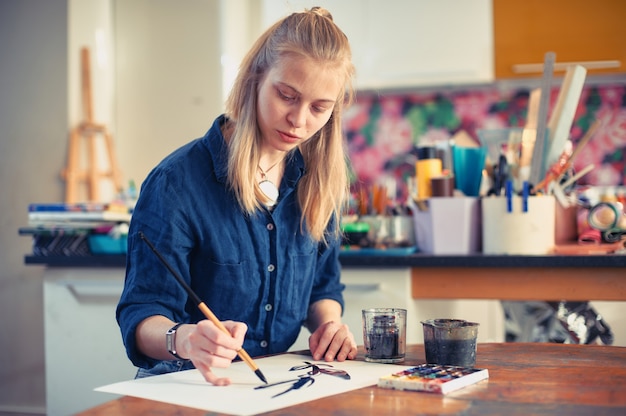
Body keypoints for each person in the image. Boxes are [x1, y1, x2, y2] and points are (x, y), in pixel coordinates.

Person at [116, 6, 357, 386]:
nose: (299, 120)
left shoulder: (318, 181)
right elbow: (141, 313)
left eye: (319, 108)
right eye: (286, 96)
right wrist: (186, 339)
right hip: (182, 385)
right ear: (255, 79)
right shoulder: (176, 183)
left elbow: (323, 287)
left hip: (276, 383)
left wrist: (330, 326)